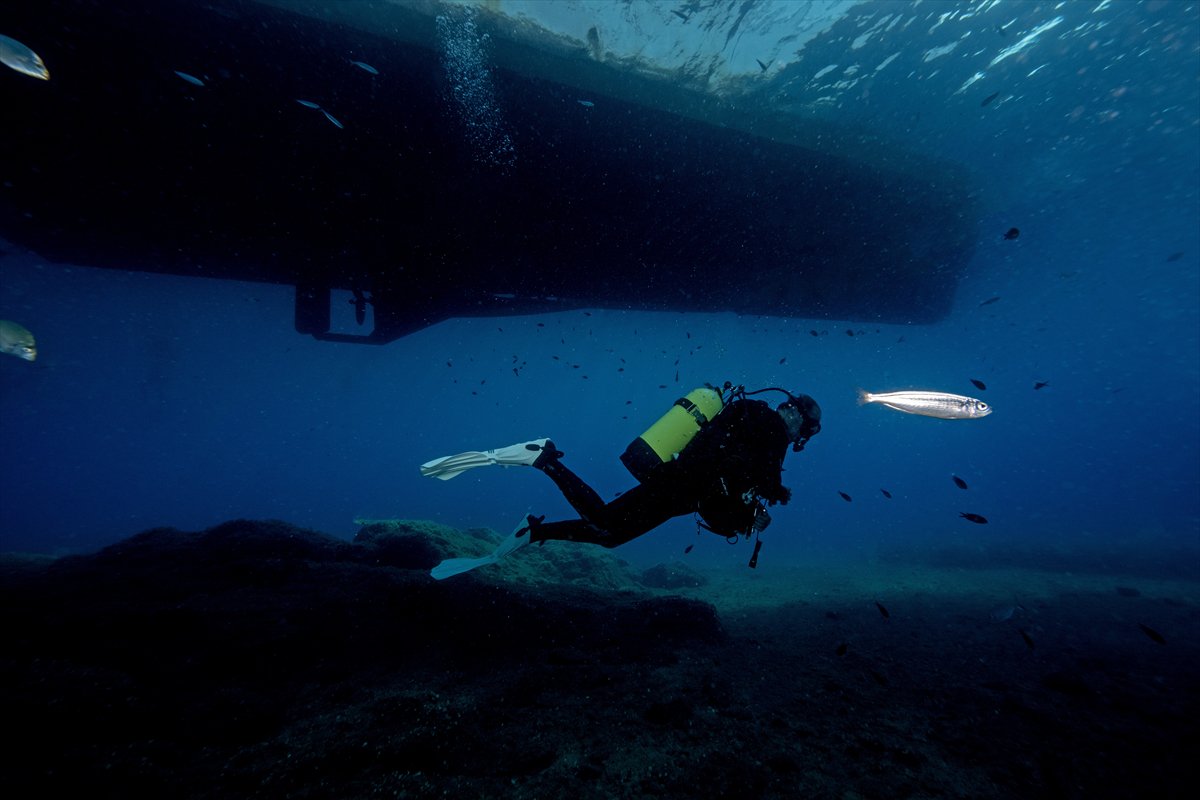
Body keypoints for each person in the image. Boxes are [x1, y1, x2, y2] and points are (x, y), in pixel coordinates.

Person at [421, 385, 821, 579]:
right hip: (681, 485)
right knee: (605, 523)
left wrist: (748, 512)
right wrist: (766, 502)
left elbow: (731, 485)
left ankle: (535, 531)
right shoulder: (771, 430)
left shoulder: (750, 419)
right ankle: (543, 459)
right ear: (795, 416)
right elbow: (755, 483)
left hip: (681, 486)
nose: (798, 438)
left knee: (610, 534)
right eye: (804, 430)